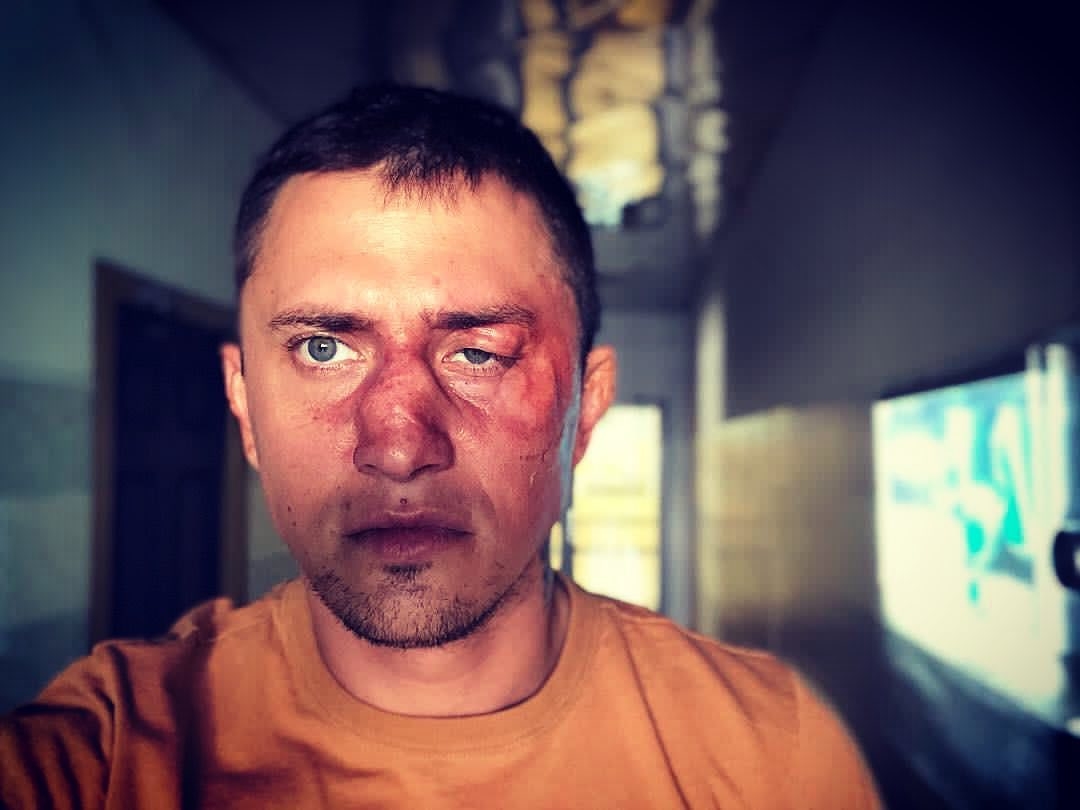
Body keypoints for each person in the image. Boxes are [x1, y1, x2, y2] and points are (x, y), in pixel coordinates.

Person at [0, 84, 881, 808]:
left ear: (587, 406)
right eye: (323, 348)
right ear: (243, 403)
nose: (397, 447)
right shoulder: (107, 757)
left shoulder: (772, 758)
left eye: (477, 353)